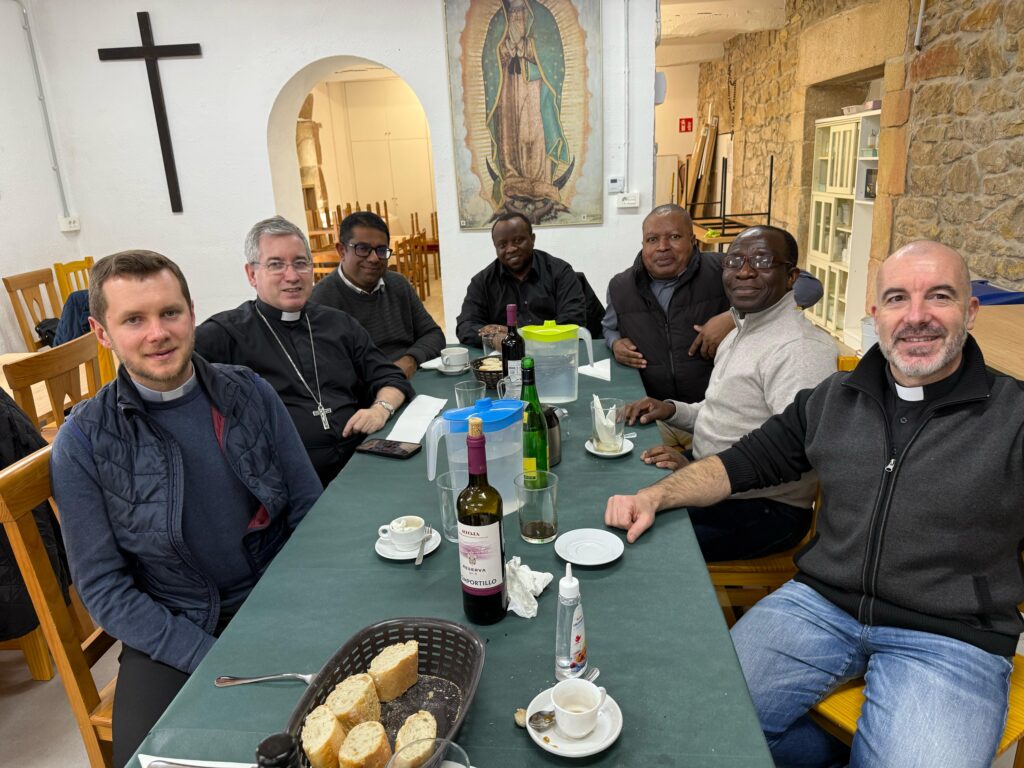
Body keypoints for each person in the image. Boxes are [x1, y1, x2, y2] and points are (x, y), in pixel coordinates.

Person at [605, 241, 1023, 766]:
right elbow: (741, 463)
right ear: (876, 315)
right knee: (689, 720)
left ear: (971, 310)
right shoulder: (835, 397)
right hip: (818, 605)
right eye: (897, 299)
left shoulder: (1013, 417)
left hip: (949, 638)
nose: (916, 317)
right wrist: (654, 496)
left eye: (938, 297)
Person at [51, 250, 322, 767]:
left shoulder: (250, 392)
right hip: (171, 626)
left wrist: (294, 610)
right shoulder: (83, 440)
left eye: (169, 313)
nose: (158, 333)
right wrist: (206, 655)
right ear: (102, 332)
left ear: (191, 312)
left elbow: (308, 508)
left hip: (274, 600)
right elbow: (105, 590)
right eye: (134, 319)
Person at [622, 226, 837, 561]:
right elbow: (722, 413)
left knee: (639, 543)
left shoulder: (799, 349)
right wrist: (670, 409)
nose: (745, 271)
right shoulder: (742, 331)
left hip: (764, 509)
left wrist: (696, 474)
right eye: (735, 261)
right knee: (623, 493)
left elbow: (795, 453)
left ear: (792, 276)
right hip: (718, 482)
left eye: (762, 261)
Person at [196, 216, 414, 485]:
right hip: (285, 481)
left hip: (360, 464)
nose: (292, 276)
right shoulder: (224, 334)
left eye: (300, 263)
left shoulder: (339, 323)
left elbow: (390, 378)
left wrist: (380, 410)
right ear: (252, 274)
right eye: (276, 265)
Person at [603, 204, 823, 404]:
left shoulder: (726, 269)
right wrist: (615, 344)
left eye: (674, 237)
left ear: (692, 240)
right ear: (643, 244)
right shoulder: (621, 286)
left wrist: (734, 317)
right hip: (657, 409)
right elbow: (609, 326)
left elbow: (810, 286)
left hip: (718, 408)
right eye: (652, 240)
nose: (662, 247)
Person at [310, 211, 444, 379]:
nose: (374, 258)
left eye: (381, 250)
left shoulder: (398, 284)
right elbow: (328, 369)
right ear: (342, 251)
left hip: (411, 377)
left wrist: (410, 360)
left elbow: (433, 334)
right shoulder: (320, 302)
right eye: (363, 249)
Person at [456, 212, 586, 348]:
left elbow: (574, 319)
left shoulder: (560, 271)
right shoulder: (482, 282)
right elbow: (466, 326)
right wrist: (495, 338)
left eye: (518, 241)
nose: (510, 249)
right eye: (502, 244)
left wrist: (517, 335)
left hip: (555, 353)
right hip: (506, 360)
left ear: (532, 239)